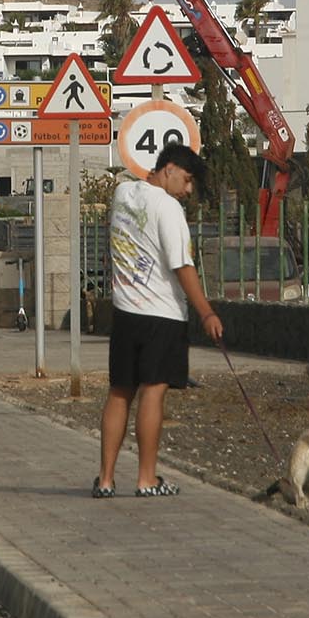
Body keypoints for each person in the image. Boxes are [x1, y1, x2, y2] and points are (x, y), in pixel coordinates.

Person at [97, 142, 222, 498]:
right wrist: (207, 313)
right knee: (153, 391)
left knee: (120, 391)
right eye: (186, 180)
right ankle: (146, 478)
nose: (187, 191)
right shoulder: (168, 209)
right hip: (161, 315)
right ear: (168, 169)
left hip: (124, 312)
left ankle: (105, 479)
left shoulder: (122, 194)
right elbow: (182, 265)